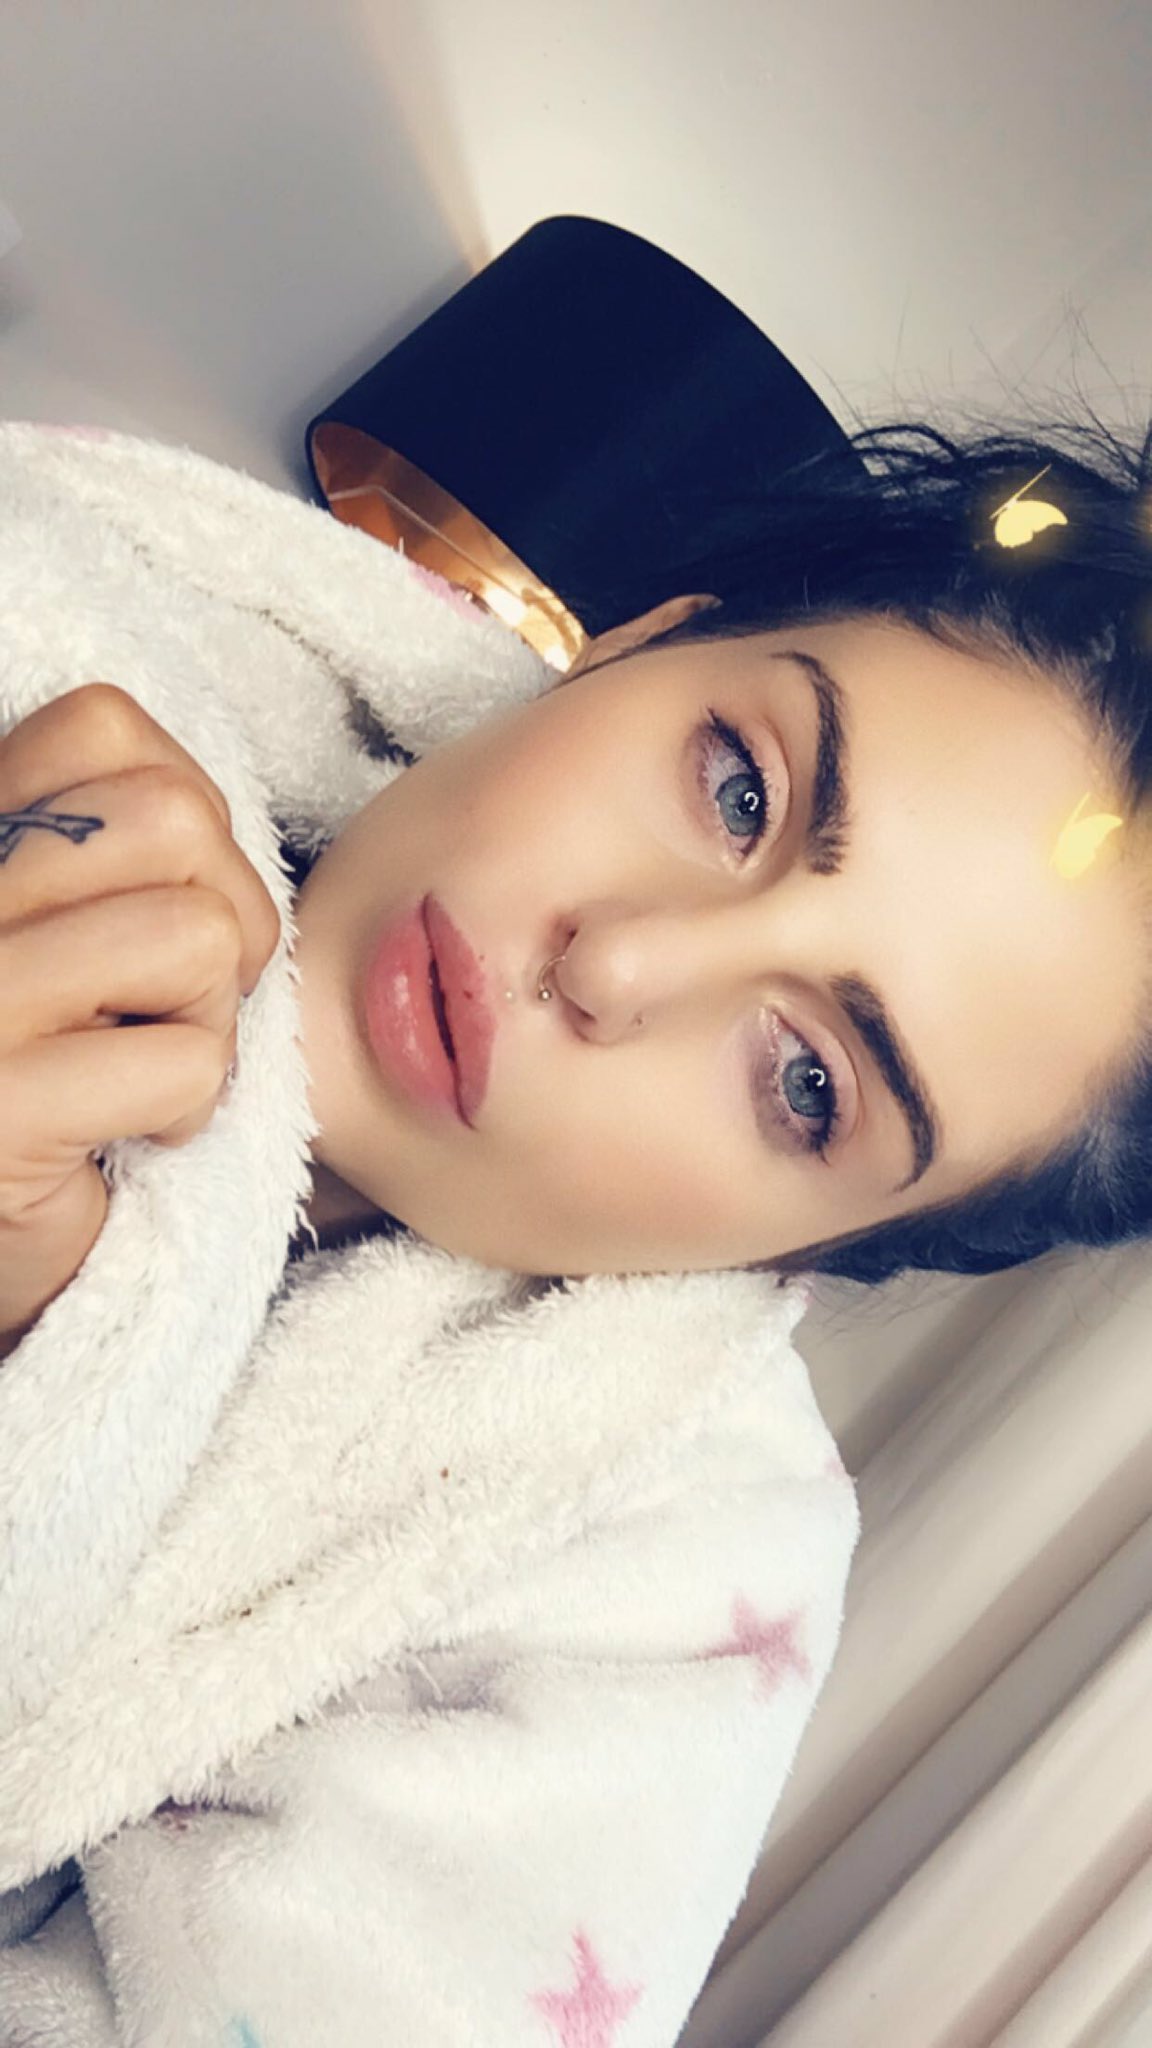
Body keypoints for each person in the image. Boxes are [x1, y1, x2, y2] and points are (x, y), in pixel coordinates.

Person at [0, 399, 1147, 2044]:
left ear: (812, 1251)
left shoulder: (656, 1606)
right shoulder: (53, 624)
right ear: (638, 642)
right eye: (740, 792)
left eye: (809, 1083)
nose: (615, 963)